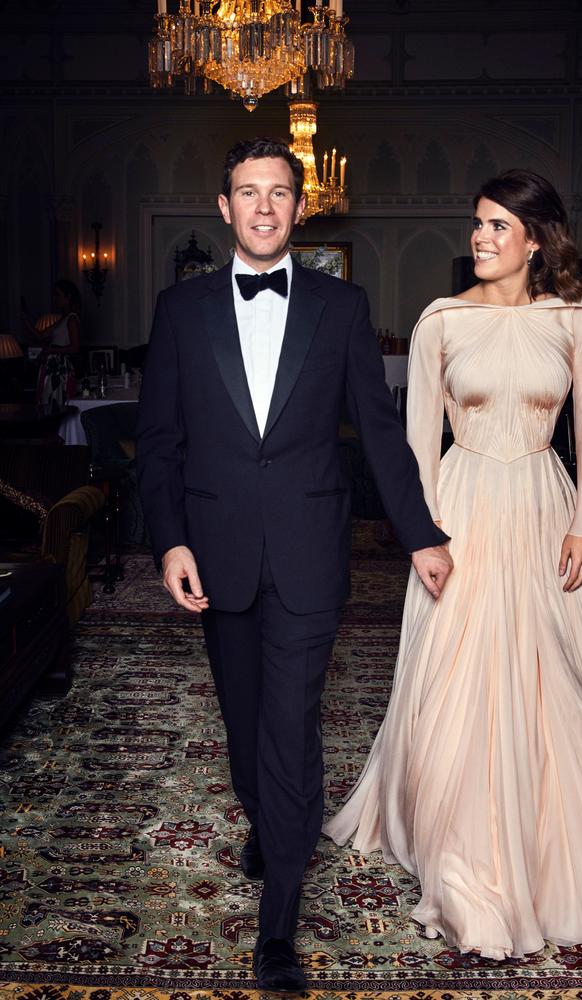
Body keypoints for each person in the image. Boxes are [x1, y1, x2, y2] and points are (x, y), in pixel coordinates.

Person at [136, 137, 453, 991]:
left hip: (313, 553)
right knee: (244, 729)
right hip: (217, 553)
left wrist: (420, 531)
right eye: (249, 193)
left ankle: (278, 920)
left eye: (280, 193)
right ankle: (268, 818)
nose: (265, 207)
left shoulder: (341, 307)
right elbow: (159, 443)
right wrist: (170, 540)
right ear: (224, 205)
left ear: (300, 205)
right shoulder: (180, 309)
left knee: (290, 725)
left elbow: (378, 436)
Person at [324, 168, 582, 959]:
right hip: (461, 511)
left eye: (499, 226)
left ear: (536, 240)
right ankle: (457, 844)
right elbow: (417, 440)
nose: (480, 237)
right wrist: (423, 533)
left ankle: (544, 836)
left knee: (548, 676)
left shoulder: (576, 320)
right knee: (451, 676)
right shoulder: (441, 320)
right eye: (478, 223)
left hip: (543, 507)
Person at [23, 280, 81, 408]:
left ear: (68, 297)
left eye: (57, 295)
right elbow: (40, 335)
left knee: (55, 401)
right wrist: (25, 317)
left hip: (59, 366)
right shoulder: (62, 319)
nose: (55, 299)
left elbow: (75, 348)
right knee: (47, 399)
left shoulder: (72, 319)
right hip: (52, 365)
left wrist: (51, 351)